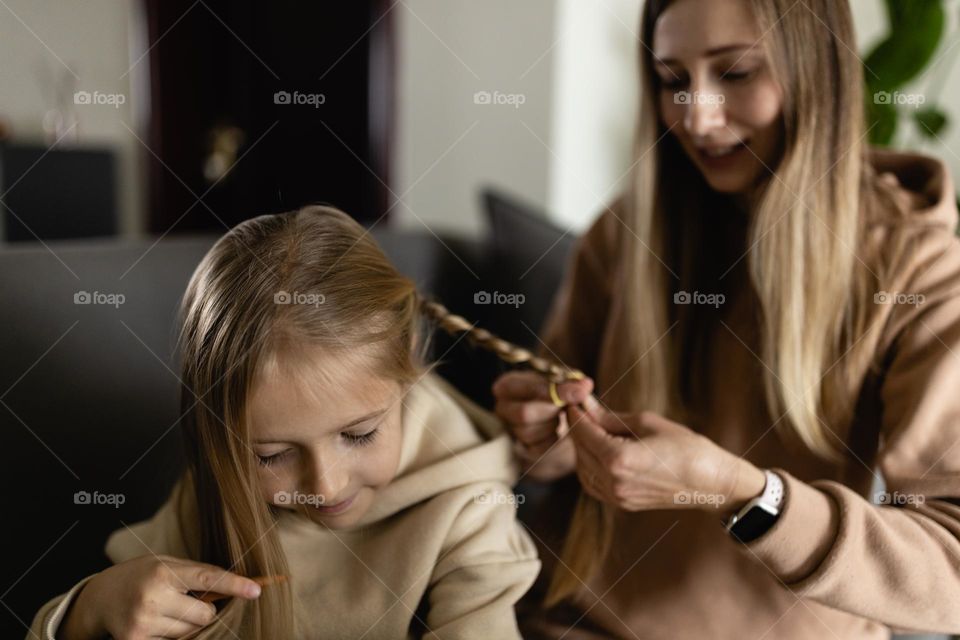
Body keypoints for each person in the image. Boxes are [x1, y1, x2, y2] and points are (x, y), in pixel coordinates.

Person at [494, 0, 960, 638]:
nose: (697, 117)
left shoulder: (918, 270)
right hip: (569, 620)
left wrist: (743, 495)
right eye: (672, 80)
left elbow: (952, 576)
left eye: (736, 73)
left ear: (819, 71)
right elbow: (544, 451)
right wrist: (540, 439)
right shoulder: (627, 232)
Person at [29, 205, 540, 639]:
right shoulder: (214, 492)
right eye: (271, 455)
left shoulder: (473, 514)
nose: (325, 484)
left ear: (407, 365)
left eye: (360, 434)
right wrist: (89, 610)